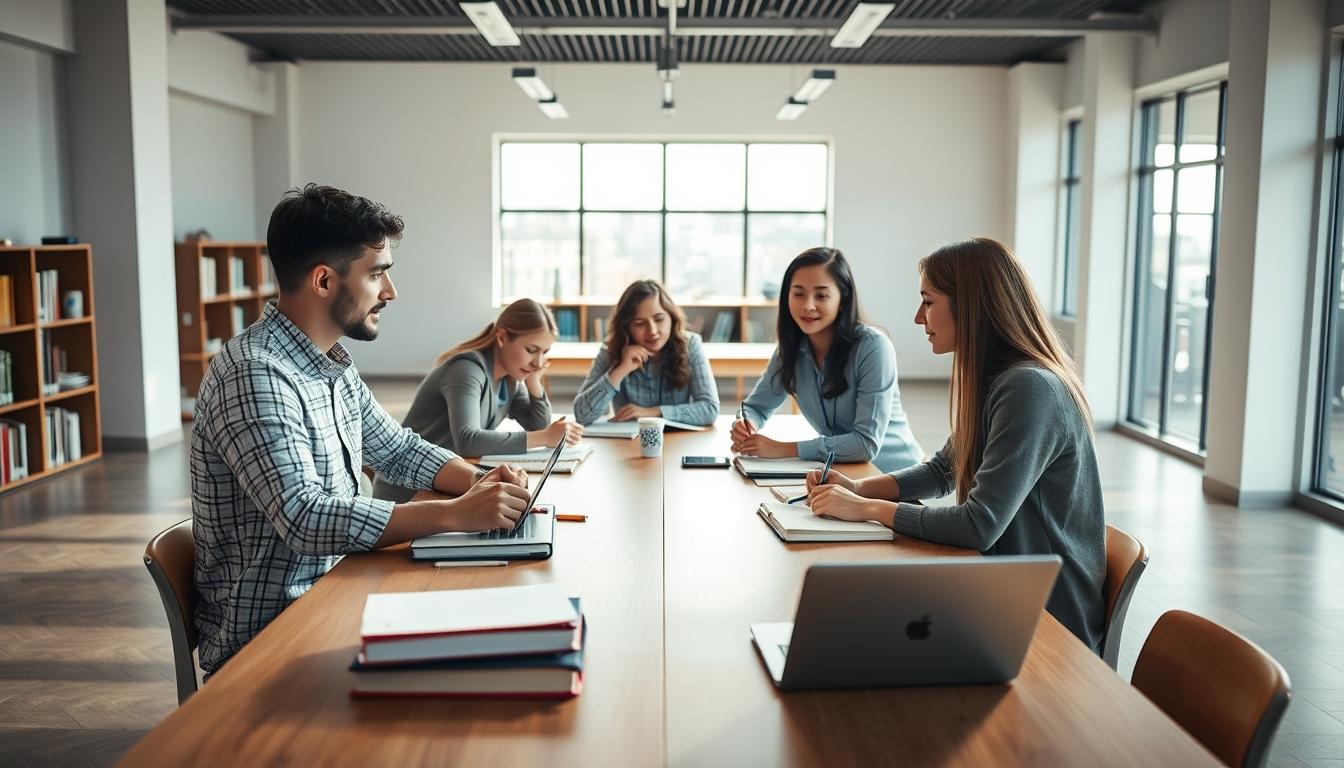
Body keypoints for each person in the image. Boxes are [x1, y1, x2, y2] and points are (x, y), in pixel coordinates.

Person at [191, 184, 530, 676]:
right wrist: (451, 513)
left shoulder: (330, 364)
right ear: (324, 281)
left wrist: (478, 484)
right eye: (377, 274)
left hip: (342, 587)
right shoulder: (254, 372)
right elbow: (304, 518)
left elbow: (397, 449)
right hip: (273, 637)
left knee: (489, 629)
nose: (390, 292)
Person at [804, 237, 1106, 652]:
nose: (917, 317)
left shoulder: (1029, 388)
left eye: (928, 301)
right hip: (999, 587)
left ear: (972, 306)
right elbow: (943, 469)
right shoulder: (999, 379)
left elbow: (978, 526)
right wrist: (858, 489)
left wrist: (867, 510)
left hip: (1045, 618)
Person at [729, 247, 922, 472]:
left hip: (896, 478)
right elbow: (755, 407)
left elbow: (865, 444)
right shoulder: (789, 349)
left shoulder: (873, 347)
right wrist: (745, 423)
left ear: (842, 300)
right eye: (798, 293)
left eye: (821, 295)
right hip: (841, 474)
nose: (808, 305)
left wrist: (784, 449)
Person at [372, 299, 583, 503]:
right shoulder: (466, 370)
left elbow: (538, 425)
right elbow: (468, 441)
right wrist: (545, 437)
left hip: (445, 484)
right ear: (502, 337)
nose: (538, 362)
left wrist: (534, 382)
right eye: (531, 350)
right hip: (407, 493)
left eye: (544, 353)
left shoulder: (510, 380)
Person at [573, 279, 719, 426]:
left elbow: (710, 409)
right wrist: (621, 369)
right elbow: (582, 415)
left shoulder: (691, 344)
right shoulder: (611, 349)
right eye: (639, 323)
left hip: (680, 441)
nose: (653, 331)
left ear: (671, 317)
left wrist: (654, 412)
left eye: (659, 319)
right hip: (628, 445)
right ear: (626, 327)